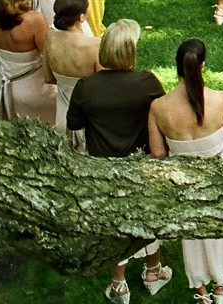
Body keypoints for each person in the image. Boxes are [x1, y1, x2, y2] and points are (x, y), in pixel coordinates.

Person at [65, 19, 171, 304]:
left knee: (115, 224)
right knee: (148, 217)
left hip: (102, 166)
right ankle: (154, 271)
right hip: (143, 163)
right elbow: (164, 120)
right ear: (130, 52)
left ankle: (119, 285)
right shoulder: (147, 82)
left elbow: (74, 129)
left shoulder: (85, 86)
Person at [147, 38, 223, 304]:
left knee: (194, 237)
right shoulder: (220, 100)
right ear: (203, 66)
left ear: (175, 65)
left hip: (184, 183)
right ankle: (222, 285)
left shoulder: (159, 108)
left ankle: (201, 293)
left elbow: (158, 153)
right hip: (220, 176)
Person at [42, 0, 97, 151]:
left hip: (62, 117)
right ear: (81, 16)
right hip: (89, 119)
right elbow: (104, 88)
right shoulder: (94, 46)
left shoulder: (50, 38)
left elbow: (48, 78)